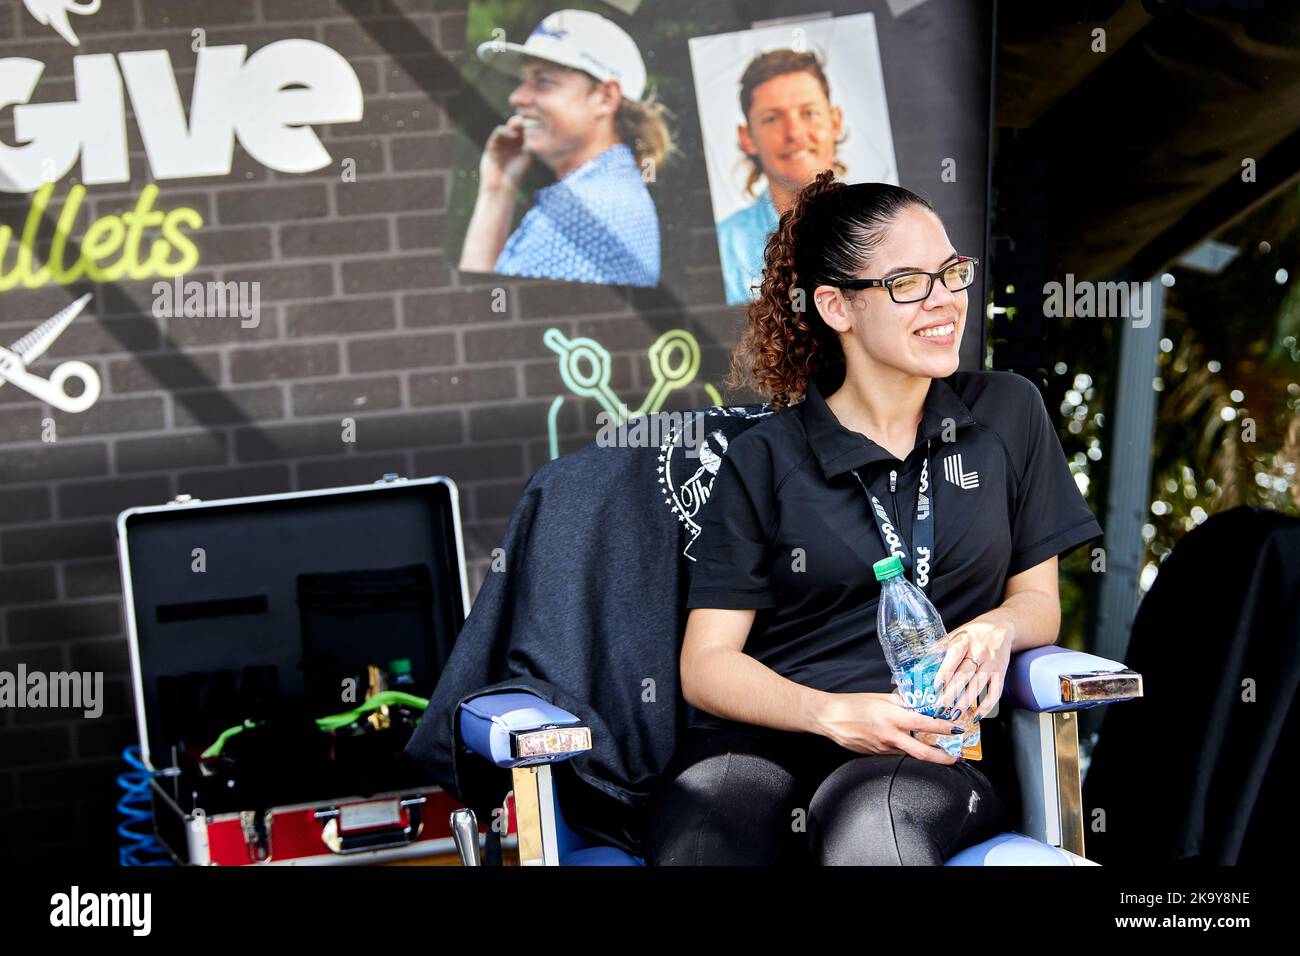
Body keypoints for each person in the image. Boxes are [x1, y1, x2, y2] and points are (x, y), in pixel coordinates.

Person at [644, 171, 1103, 865]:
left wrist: (995, 629)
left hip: (926, 746)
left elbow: (1037, 601)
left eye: (952, 272)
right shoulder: (764, 457)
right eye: (908, 282)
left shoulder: (1008, 413)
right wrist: (829, 713)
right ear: (836, 307)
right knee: (705, 838)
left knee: (876, 832)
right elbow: (707, 665)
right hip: (770, 739)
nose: (945, 300)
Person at [460, 9, 670, 287]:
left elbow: (480, 316)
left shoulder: (586, 213)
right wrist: (498, 189)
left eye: (543, 81)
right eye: (523, 80)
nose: (517, 96)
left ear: (606, 98)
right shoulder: (599, 192)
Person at [715, 49, 845, 305]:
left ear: (836, 121)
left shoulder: (889, 223)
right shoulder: (724, 245)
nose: (794, 132)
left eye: (809, 113)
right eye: (772, 118)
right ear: (747, 137)